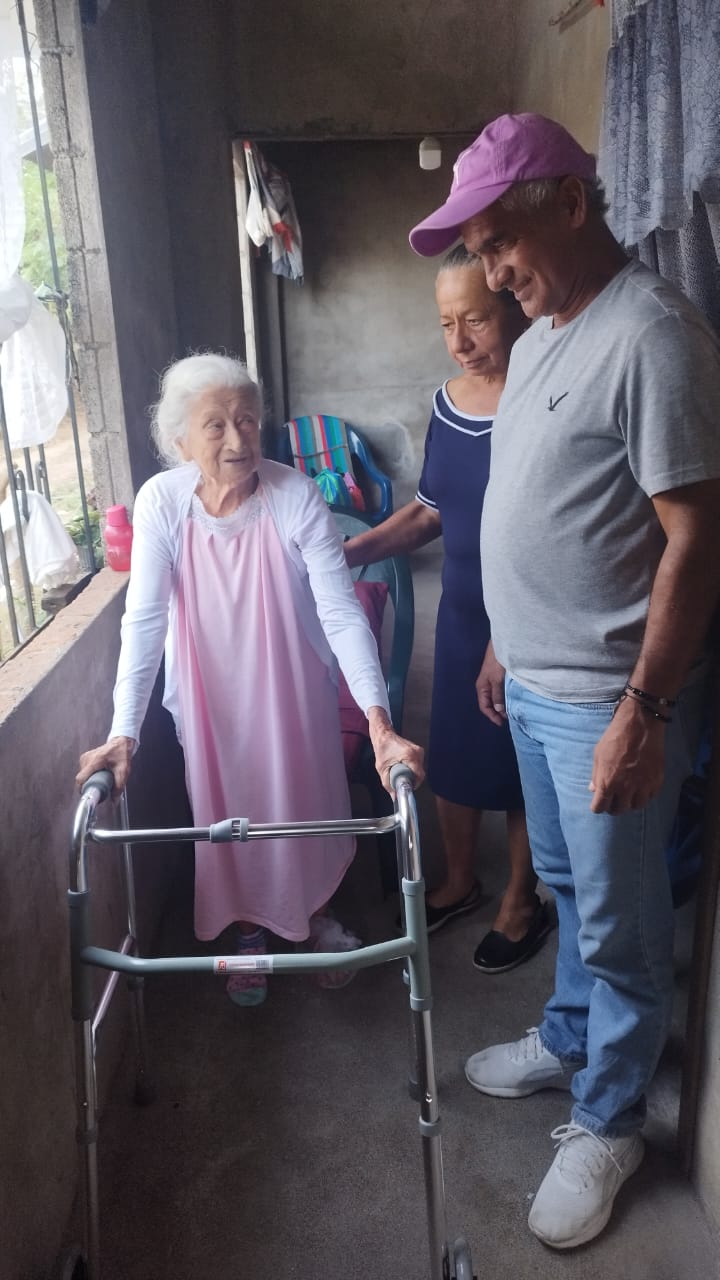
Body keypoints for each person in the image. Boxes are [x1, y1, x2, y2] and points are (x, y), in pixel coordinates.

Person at [409, 113, 720, 1249]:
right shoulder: (543, 332)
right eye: (480, 252)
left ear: (574, 206)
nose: (493, 274)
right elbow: (538, 498)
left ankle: (611, 1118)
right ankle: (574, 1034)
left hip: (606, 696)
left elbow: (697, 538)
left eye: (501, 242)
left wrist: (644, 709)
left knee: (624, 919)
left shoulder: (654, 335)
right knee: (566, 885)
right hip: (534, 678)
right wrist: (503, 637)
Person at [77, 354, 424, 1008]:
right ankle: (248, 930)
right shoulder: (163, 503)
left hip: (292, 687)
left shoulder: (294, 495)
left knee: (303, 800)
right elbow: (145, 621)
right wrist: (124, 734)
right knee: (224, 811)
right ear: (180, 439)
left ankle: (313, 915)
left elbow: (340, 611)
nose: (237, 438)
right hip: (209, 696)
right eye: (215, 425)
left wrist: (379, 723)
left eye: (247, 420)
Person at [345, 245, 552, 973]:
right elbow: (431, 511)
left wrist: (512, 632)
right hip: (461, 617)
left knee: (523, 768)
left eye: (476, 320)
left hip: (530, 615)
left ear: (514, 310)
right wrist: (343, 553)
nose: (460, 341)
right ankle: (461, 880)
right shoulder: (447, 403)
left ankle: (522, 900)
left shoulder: (546, 392)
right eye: (445, 324)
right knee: (456, 758)